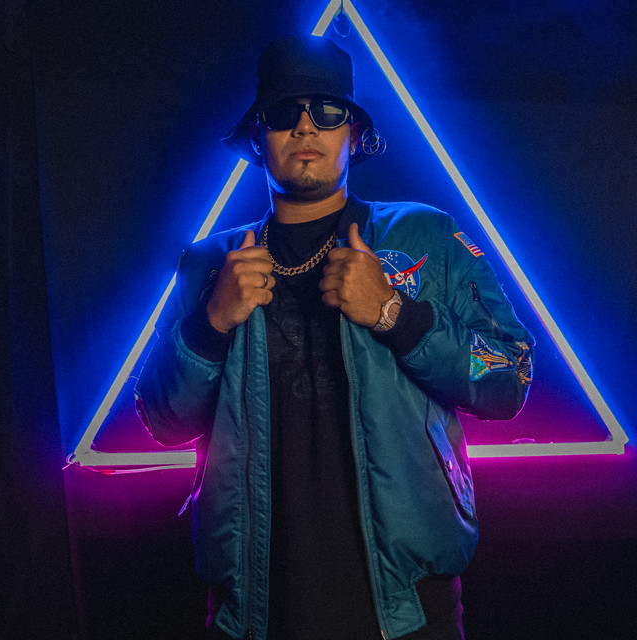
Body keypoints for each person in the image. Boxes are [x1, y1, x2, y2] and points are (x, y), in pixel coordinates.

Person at [135, 35, 534, 640]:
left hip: (406, 609)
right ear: (257, 136)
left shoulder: (426, 237)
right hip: (253, 613)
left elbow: (509, 378)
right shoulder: (208, 264)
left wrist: (396, 313)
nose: (305, 127)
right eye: (282, 113)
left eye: (326, 111)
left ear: (354, 132)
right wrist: (210, 323)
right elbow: (163, 420)